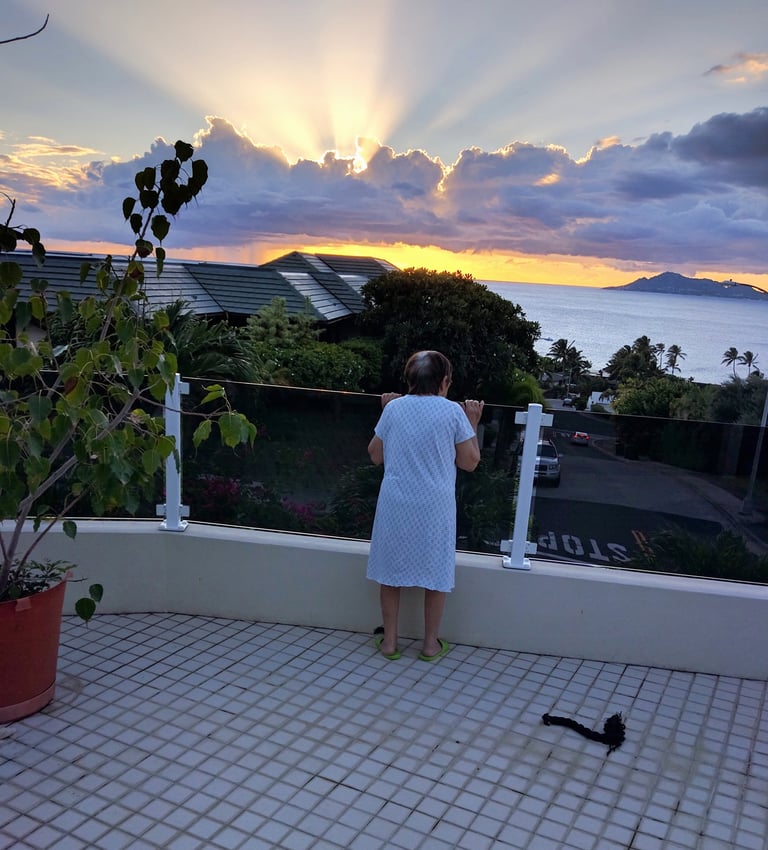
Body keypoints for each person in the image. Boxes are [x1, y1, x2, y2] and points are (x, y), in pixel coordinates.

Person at [366, 350, 484, 661]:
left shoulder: (394, 409)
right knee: (436, 572)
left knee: (390, 573)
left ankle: (390, 643)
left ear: (409, 379)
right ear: (445, 381)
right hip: (435, 506)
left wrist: (385, 410)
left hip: (395, 502)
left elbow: (375, 455)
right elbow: (470, 462)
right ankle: (430, 645)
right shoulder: (453, 413)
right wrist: (472, 420)